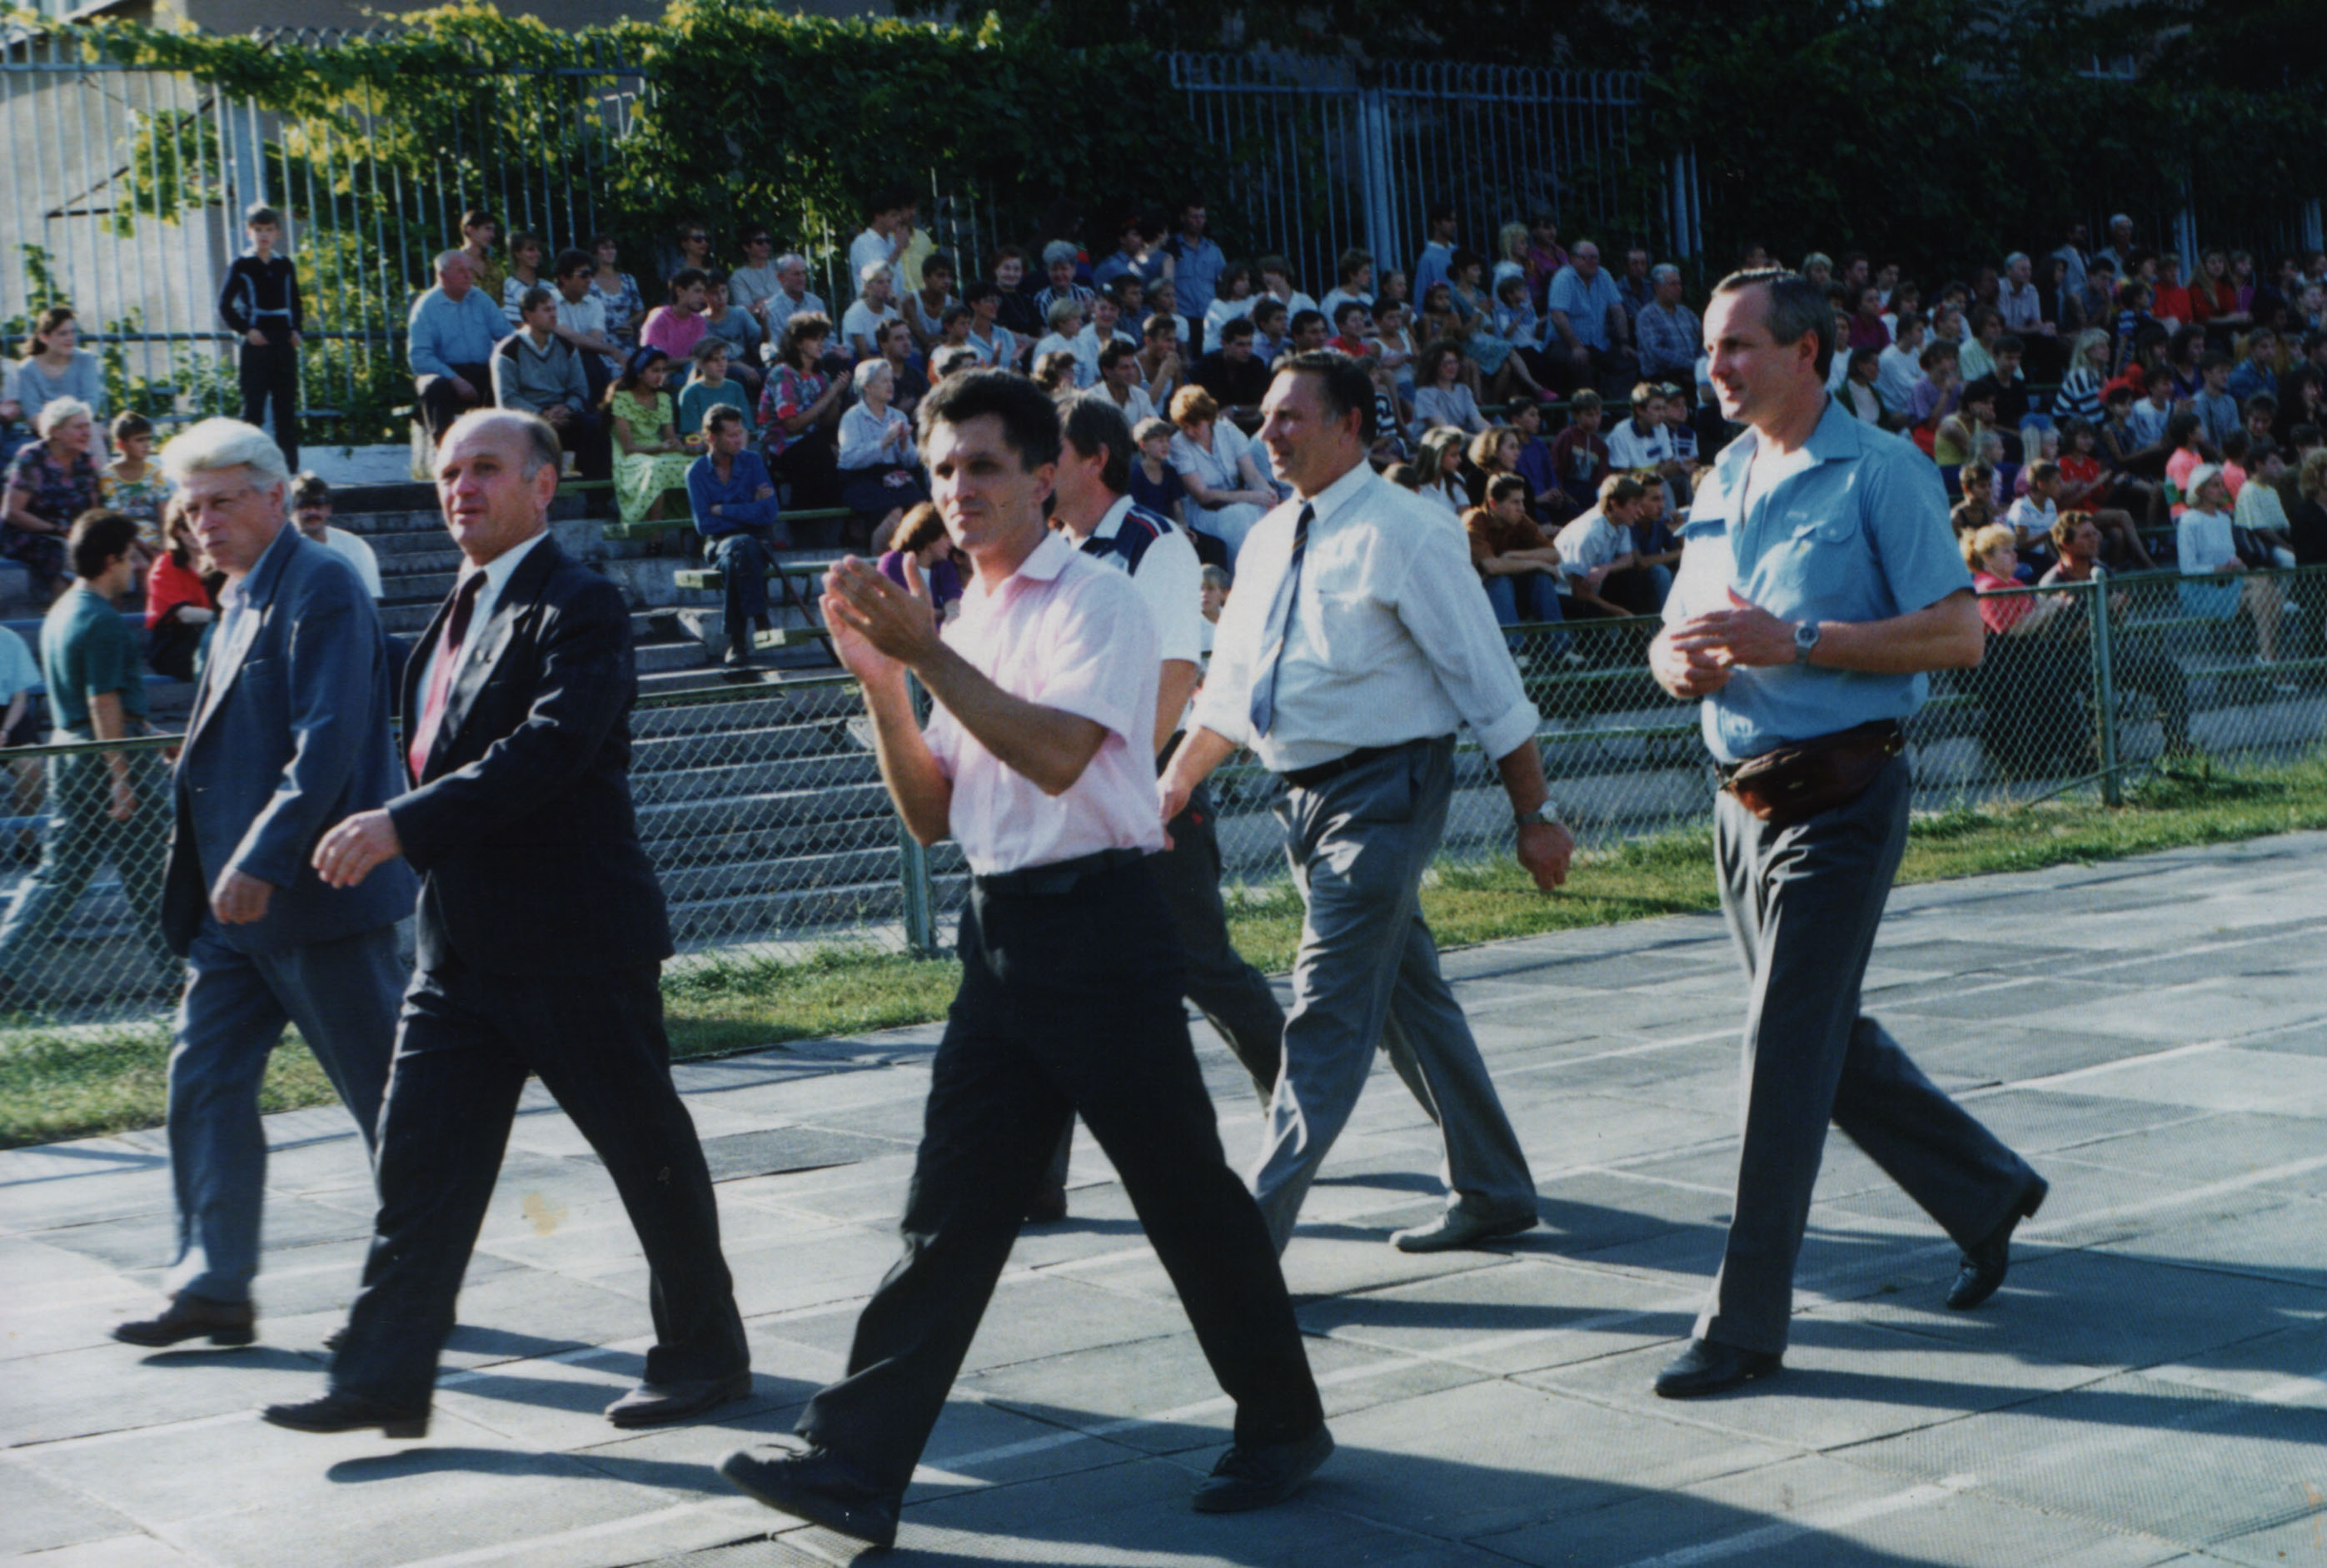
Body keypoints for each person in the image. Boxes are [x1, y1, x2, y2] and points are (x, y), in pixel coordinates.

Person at [716, 370, 1330, 1546]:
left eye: (984, 466)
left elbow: (1056, 755)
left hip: (1102, 924)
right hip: (1001, 933)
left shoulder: (1094, 599)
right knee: (945, 1211)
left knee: (1185, 1199)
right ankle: (850, 1462)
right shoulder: (970, 620)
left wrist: (929, 656)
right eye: (941, 470)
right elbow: (932, 815)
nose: (958, 491)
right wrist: (889, 688)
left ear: (1047, 474)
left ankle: (1283, 1418)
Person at [269, 409, 751, 1440]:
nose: (461, 489)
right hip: (459, 953)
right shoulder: (449, 616)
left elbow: (551, 748)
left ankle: (705, 1353)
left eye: (485, 469)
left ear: (545, 485)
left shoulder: (580, 603)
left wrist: (402, 823)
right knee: (418, 1167)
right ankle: (383, 1373)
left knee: (644, 1153)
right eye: (449, 473)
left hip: (574, 942)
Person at [1645, 269, 2048, 1400]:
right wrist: (1669, 661)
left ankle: (1741, 1322)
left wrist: (1802, 638)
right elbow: (1677, 631)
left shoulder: (1885, 471)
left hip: (1839, 794)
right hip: (1736, 798)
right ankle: (1982, 1187)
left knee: (1781, 1052)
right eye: (1709, 349)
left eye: (1737, 346)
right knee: (1819, 1035)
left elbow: (1959, 636)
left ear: (1809, 351)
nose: (1714, 368)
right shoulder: (1722, 473)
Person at [1158, 350, 1572, 1256]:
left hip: (1387, 788)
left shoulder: (1409, 531)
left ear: (1350, 424)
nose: (1264, 434)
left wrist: (1533, 815)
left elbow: (1491, 686)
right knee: (1406, 998)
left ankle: (1246, 1242)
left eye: (1287, 417)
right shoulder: (1267, 537)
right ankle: (1494, 1186)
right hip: (1297, 795)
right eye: (1263, 417)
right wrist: (1175, 781)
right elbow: (1228, 691)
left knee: (1327, 1007)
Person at [106, 420, 412, 1350]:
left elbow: (326, 745)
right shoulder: (235, 591)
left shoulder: (319, 585)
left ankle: (408, 1291)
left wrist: (261, 857)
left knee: (390, 1105)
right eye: (191, 506)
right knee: (202, 1080)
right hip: (232, 913)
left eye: (223, 500)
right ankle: (212, 1282)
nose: (203, 522)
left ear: (276, 496)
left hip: (313, 897)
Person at [1029, 398, 1289, 1220]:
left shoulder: (1153, 542)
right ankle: (1036, 1176)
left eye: (1052, 454)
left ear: (1095, 459)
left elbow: (1177, 671)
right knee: (1052, 978)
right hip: (1072, 789)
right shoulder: (1049, 550)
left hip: (1149, 784)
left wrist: (1131, 785)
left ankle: (1297, 1101)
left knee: (1199, 963)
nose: (1039, 469)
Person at [0, 510, 175, 1010]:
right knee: (152, 869)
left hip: (72, 751)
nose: (137, 567)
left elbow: (95, 706)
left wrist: (148, 733)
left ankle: (5, 962)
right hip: (107, 759)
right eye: (131, 556)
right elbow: (102, 703)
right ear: (109, 559)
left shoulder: (63, 610)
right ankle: (180, 972)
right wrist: (123, 778)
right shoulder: (101, 621)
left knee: (60, 872)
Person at [2038, 510, 2190, 756]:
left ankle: (2178, 743)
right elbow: (2056, 639)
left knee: (2168, 671)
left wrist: (2119, 608)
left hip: (2110, 652)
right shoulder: (2054, 582)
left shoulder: (2102, 570)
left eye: (2095, 534)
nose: (2095, 539)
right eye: (2086, 536)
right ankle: (2104, 753)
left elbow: (2115, 622)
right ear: (2066, 544)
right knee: (2095, 684)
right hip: (2071, 662)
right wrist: (2098, 611)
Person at [687, 406, 784, 670]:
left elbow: (769, 512)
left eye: (740, 433)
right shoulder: (696, 472)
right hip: (719, 542)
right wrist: (749, 506)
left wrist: (725, 509)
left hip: (754, 541)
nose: (738, 440)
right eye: (731, 435)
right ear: (711, 438)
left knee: (738, 558)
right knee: (740, 547)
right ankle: (760, 617)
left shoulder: (752, 462)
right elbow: (705, 524)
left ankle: (737, 641)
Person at [217, 205, 305, 468]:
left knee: (285, 412)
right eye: (258, 230)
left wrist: (296, 330)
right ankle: (248, 467)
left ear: (277, 233)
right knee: (253, 410)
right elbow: (224, 305)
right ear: (248, 232)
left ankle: (289, 473)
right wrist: (246, 330)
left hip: (283, 343)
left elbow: (296, 302)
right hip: (257, 343)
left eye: (268, 230)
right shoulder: (242, 264)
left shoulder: (284, 264)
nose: (263, 235)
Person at [491, 286, 606, 480]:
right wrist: (541, 414)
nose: (553, 315)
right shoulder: (508, 350)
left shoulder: (567, 346)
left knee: (596, 426)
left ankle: (597, 500)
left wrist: (568, 408)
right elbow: (508, 399)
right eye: (546, 310)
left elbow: (579, 389)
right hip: (526, 420)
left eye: (554, 309)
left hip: (563, 415)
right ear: (528, 314)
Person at [2176, 464, 2285, 667]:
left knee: (2267, 586)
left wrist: (2236, 565)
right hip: (2201, 591)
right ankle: (2269, 659)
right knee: (2265, 593)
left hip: (2228, 584)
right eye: (2215, 486)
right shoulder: (2188, 521)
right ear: (2200, 490)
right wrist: (2220, 570)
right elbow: (2187, 569)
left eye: (2221, 485)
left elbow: (2230, 556)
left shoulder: (2224, 519)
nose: (2222, 490)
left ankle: (2267, 656)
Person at [4, 396, 103, 600]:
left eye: (87, 426)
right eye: (78, 427)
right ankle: (64, 620)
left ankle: (106, 622)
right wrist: (57, 531)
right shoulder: (31, 458)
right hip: (25, 532)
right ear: (55, 431)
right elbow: (13, 513)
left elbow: (93, 510)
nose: (87, 433)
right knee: (61, 554)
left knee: (104, 547)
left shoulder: (85, 460)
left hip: (68, 531)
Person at [408, 251, 511, 446]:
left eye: (470, 270)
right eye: (461, 271)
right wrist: (454, 379)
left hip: (480, 370)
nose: (468, 276)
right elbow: (419, 358)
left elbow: (507, 336)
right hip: (444, 373)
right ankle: (446, 450)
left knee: (506, 379)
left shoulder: (480, 299)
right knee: (434, 386)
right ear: (442, 276)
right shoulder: (426, 307)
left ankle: (504, 448)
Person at [1170, 386, 1275, 560]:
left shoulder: (1228, 431)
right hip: (1202, 512)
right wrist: (1249, 497)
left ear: (1208, 418)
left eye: (1195, 425)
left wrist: (1269, 496)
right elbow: (1202, 495)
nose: (1189, 432)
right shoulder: (1178, 444)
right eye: (1184, 427)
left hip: (1237, 503)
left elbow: (1253, 475)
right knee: (1239, 518)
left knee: (1269, 515)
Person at [760, 313, 848, 520]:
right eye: (814, 339)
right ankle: (801, 518)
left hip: (811, 442)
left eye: (822, 339)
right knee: (818, 449)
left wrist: (836, 398)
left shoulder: (822, 376)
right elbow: (792, 425)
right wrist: (830, 395)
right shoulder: (782, 373)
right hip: (780, 446)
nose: (821, 344)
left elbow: (825, 421)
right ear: (798, 342)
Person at [836, 357, 929, 547]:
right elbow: (848, 459)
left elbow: (910, 462)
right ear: (868, 387)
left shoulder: (898, 416)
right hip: (860, 478)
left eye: (891, 380)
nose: (890, 385)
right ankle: (880, 566)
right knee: (892, 512)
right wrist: (883, 444)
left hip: (893, 475)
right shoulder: (852, 417)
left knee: (923, 510)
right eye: (884, 381)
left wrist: (904, 444)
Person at [1467, 473, 1568, 633]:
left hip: (1511, 596)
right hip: (1476, 597)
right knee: (1500, 581)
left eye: (1522, 501)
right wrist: (1539, 564)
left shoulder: (1520, 520)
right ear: (1493, 504)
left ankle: (1561, 650)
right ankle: (1514, 652)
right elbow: (1492, 567)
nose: (1522, 508)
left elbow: (1554, 555)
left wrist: (1514, 556)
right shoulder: (1474, 522)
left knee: (1541, 579)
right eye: (1515, 502)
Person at [605, 347, 695, 525]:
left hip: (659, 450)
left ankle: (691, 529)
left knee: (695, 464)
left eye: (663, 370)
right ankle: (656, 534)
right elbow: (628, 447)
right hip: (631, 456)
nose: (660, 375)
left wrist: (687, 447)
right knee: (655, 468)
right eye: (655, 370)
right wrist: (659, 448)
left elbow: (670, 437)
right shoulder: (622, 398)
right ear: (639, 372)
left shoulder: (663, 398)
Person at [6, 306, 107, 441]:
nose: (70, 338)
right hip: (46, 434)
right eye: (62, 334)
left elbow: (91, 403)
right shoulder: (27, 369)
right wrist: (63, 432)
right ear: (44, 337)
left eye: (73, 332)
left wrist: (72, 427)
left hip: (82, 426)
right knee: (94, 432)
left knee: (93, 433)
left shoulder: (85, 359)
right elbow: (32, 414)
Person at [146, 500, 219, 682]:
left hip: (211, 635)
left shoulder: (219, 562)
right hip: (175, 642)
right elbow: (185, 615)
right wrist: (225, 617)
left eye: (198, 523)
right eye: (186, 526)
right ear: (177, 531)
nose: (194, 531)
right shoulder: (166, 565)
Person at [289, 474, 383, 600]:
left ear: (328, 509)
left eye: (318, 504)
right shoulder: (278, 552)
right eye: (304, 505)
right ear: (289, 510)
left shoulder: (357, 548)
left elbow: (370, 603)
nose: (312, 512)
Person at [99, 412, 172, 560]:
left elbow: (165, 513)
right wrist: (145, 549)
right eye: (139, 440)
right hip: (125, 538)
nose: (146, 445)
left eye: (148, 439)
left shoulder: (154, 471)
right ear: (121, 444)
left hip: (155, 536)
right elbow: (116, 519)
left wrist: (165, 546)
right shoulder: (109, 475)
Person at [875, 502, 964, 622]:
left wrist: (952, 613)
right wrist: (944, 614)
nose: (952, 543)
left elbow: (953, 598)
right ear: (929, 534)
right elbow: (905, 612)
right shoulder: (892, 562)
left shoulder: (945, 565)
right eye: (947, 536)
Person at [586, 235, 647, 350]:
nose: (610, 251)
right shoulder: (589, 283)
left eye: (612, 247)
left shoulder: (628, 280)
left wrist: (629, 323)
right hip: (600, 345)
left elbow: (640, 311)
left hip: (626, 343)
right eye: (604, 248)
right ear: (595, 253)